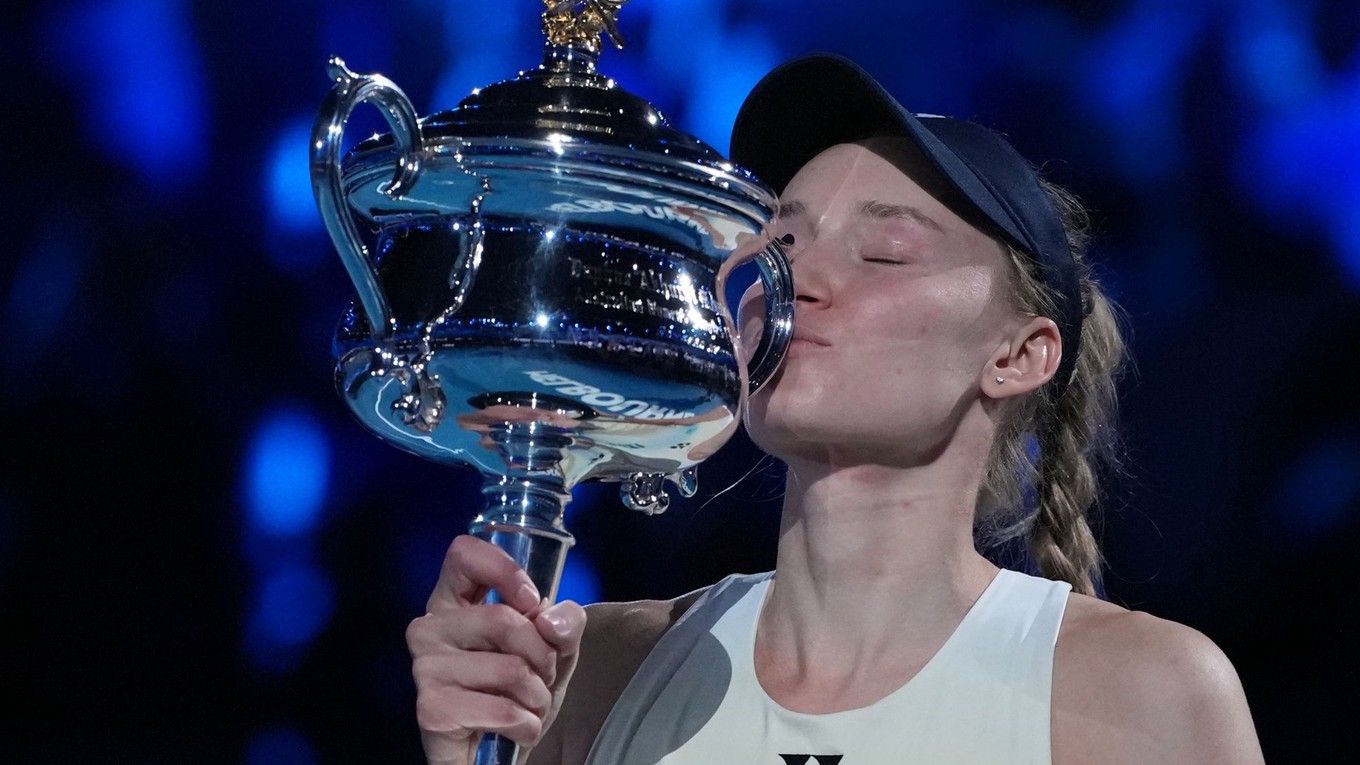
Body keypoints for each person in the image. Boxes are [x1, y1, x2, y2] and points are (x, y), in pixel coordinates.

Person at [405, 54, 1266, 765]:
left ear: (1018, 355)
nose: (796, 281)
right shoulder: (595, 671)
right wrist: (467, 753)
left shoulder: (1140, 694)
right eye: (778, 245)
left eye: (884, 252)